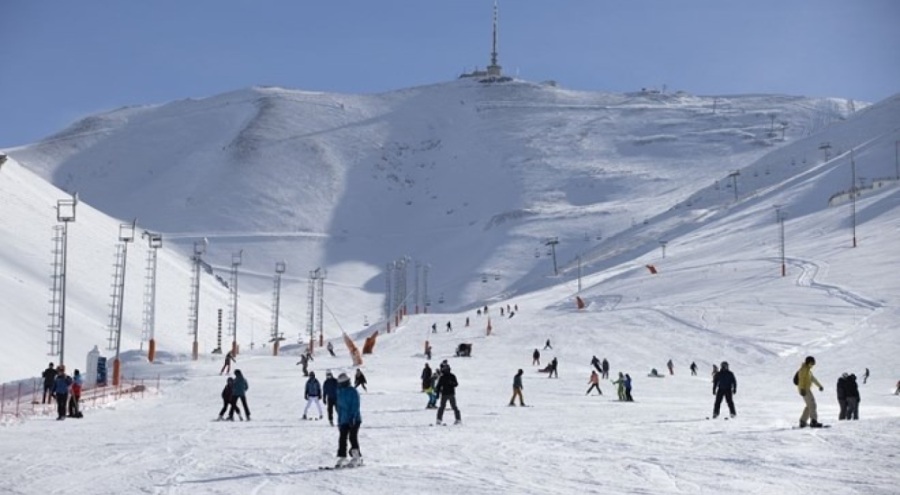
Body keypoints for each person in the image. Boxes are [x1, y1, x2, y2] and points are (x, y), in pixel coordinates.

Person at [334, 372, 363, 468]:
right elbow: (339, 408)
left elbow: (355, 406)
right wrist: (339, 421)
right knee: (342, 438)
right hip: (344, 420)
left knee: (352, 437)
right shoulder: (340, 392)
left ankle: (357, 457)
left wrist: (353, 418)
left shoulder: (353, 391)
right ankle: (342, 457)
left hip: (354, 419)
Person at [796, 356, 824, 428]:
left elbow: (813, 379)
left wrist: (819, 386)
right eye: (812, 363)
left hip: (806, 389)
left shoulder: (808, 370)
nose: (813, 365)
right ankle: (813, 421)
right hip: (804, 390)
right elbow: (801, 380)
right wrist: (802, 389)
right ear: (808, 362)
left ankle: (803, 421)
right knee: (813, 405)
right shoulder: (803, 369)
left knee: (809, 406)